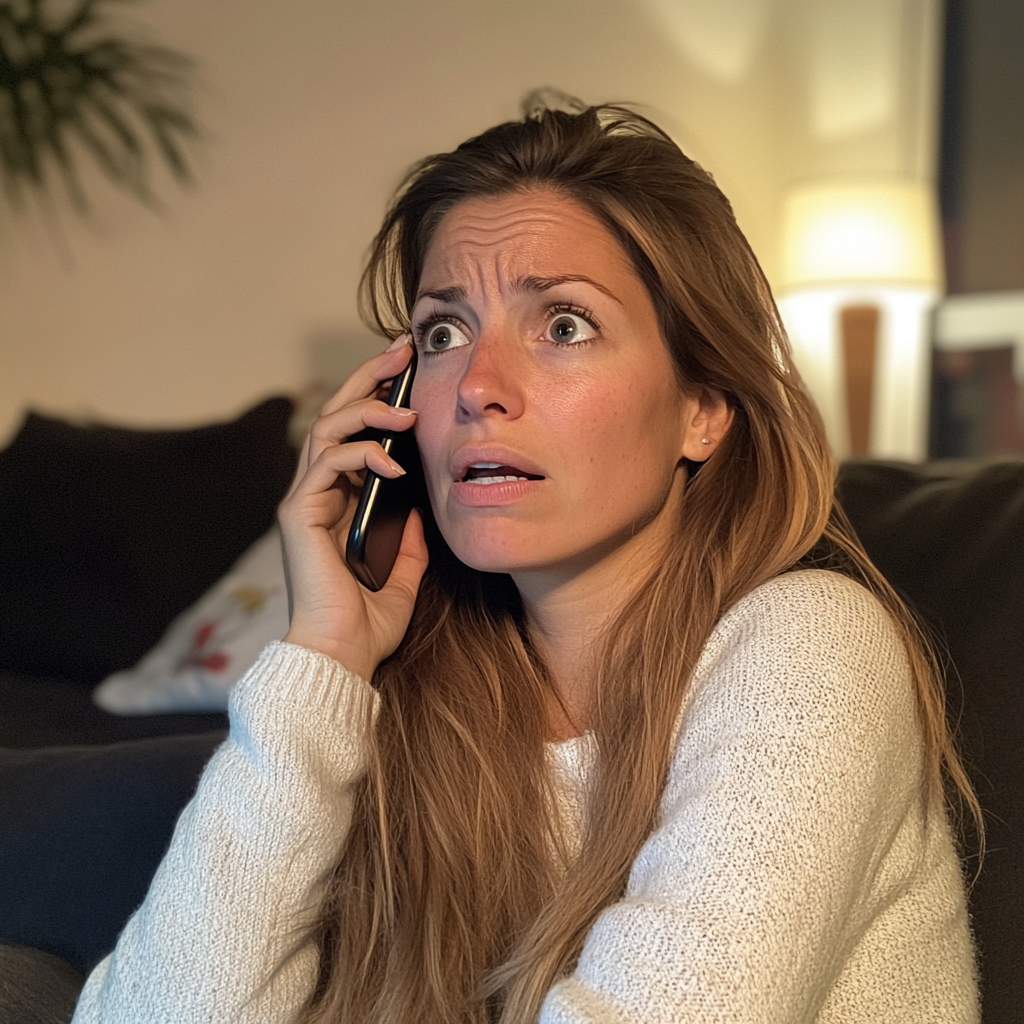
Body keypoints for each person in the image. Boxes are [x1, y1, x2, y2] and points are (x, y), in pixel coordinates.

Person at [72, 95, 980, 1024]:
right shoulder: (415, 696)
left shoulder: (813, 650)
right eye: (443, 332)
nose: (476, 388)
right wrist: (322, 659)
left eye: (564, 325)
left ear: (703, 408)